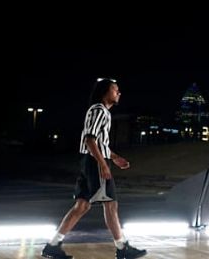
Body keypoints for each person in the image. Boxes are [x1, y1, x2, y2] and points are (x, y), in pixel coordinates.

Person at [42, 79, 147, 259]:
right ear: (104, 92)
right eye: (115, 89)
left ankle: (53, 245)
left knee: (82, 206)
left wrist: (114, 157)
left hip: (89, 161)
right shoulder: (99, 110)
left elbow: (98, 143)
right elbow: (90, 140)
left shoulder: (100, 111)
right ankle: (122, 247)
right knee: (111, 204)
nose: (118, 93)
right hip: (94, 162)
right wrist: (103, 164)